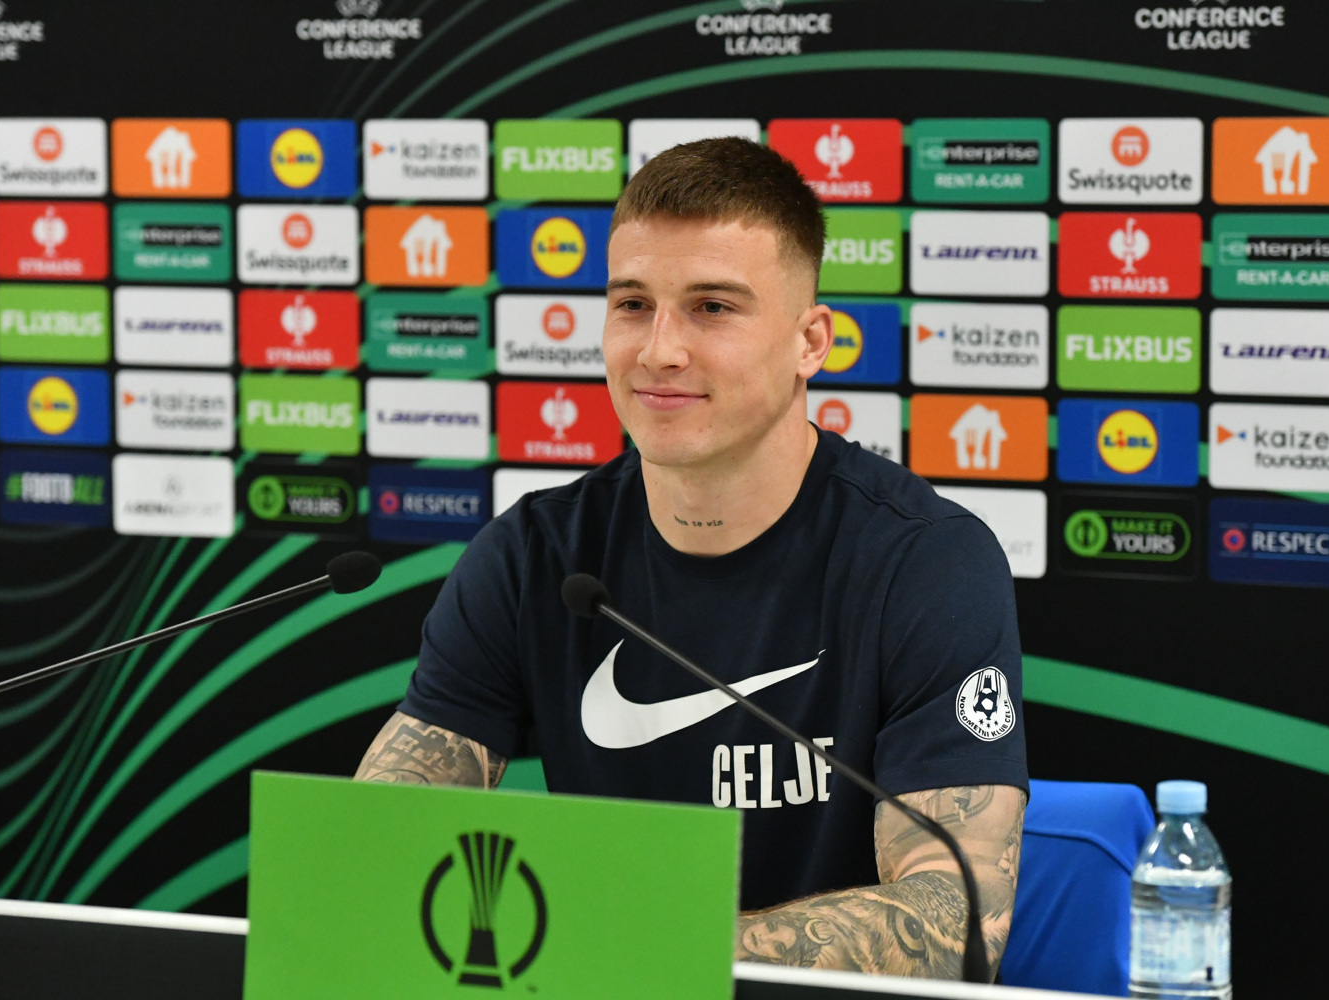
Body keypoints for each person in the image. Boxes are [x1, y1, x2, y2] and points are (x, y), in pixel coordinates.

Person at [355, 137, 1028, 979]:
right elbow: (374, 852)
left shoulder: (927, 562)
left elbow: (961, 919)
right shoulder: (533, 556)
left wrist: (641, 953)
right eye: (633, 304)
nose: (659, 351)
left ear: (810, 342)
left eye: (712, 307)